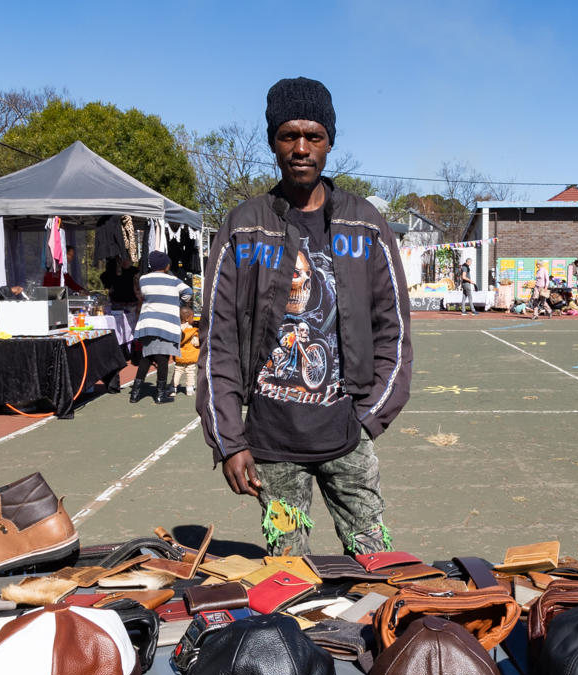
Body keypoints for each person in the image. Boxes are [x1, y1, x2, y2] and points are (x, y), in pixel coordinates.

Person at [197, 77, 412, 557]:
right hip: (270, 446)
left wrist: (367, 418)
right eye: (287, 135)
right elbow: (218, 342)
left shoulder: (365, 224)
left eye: (313, 136)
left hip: (347, 438)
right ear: (272, 141)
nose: (300, 148)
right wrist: (230, 442)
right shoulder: (244, 226)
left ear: (329, 142)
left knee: (375, 561)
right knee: (287, 573)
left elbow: (393, 330)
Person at [130, 250, 192, 404]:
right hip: (166, 324)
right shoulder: (173, 281)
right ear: (166, 265)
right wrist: (178, 304)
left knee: (147, 356)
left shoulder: (143, 279)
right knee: (163, 358)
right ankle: (160, 395)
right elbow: (188, 292)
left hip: (148, 323)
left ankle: (135, 394)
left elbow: (145, 294)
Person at [171, 306, 200, 396]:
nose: (193, 319)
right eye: (192, 317)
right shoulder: (191, 330)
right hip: (190, 356)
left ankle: (173, 388)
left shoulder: (177, 329)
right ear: (187, 318)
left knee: (177, 371)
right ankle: (189, 389)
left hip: (179, 355)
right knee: (190, 372)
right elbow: (195, 343)